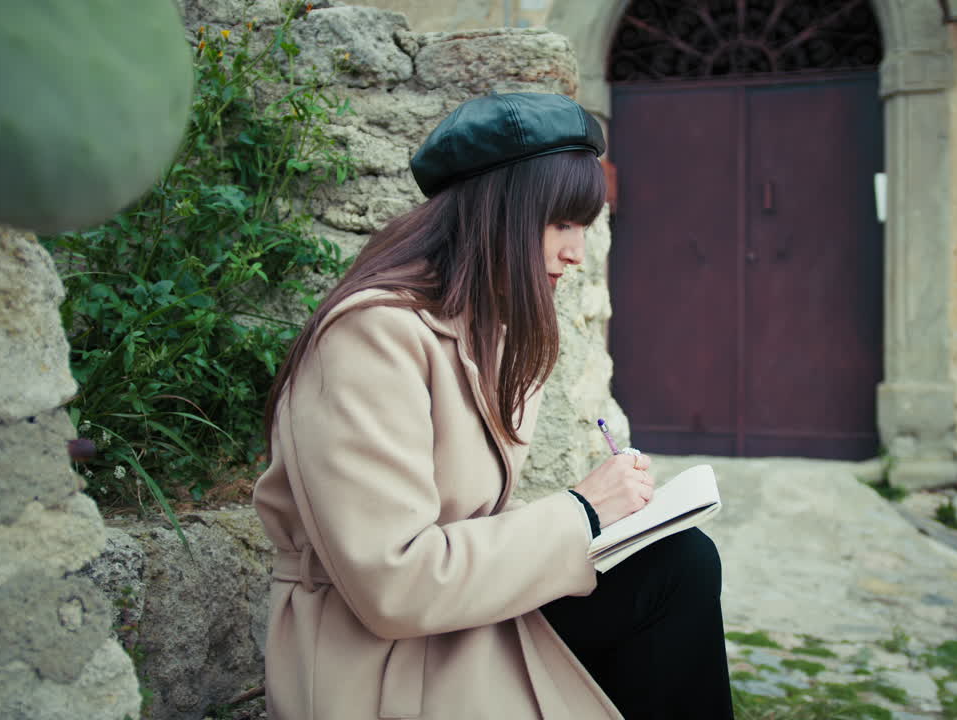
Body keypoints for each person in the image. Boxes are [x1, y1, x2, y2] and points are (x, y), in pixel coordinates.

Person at [252, 92, 733, 720]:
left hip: (454, 622)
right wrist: (585, 510)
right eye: (562, 223)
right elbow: (392, 586)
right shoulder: (370, 337)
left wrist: (613, 524)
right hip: (379, 658)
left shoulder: (486, 329)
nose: (577, 253)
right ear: (500, 214)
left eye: (584, 227)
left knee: (677, 564)